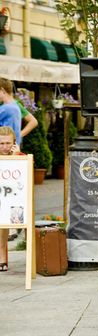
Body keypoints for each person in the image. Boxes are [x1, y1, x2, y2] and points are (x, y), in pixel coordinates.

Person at [0, 126, 23, 271]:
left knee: (5, 211)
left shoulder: (21, 156)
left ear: (14, 143)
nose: (5, 147)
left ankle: (1, 253)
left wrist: (16, 156)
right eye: (1, 143)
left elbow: (26, 177)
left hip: (14, 201)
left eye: (8, 143)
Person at [0, 78, 22, 145]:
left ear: (2, 90)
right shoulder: (15, 106)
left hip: (5, 149)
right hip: (12, 148)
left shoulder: (7, 108)